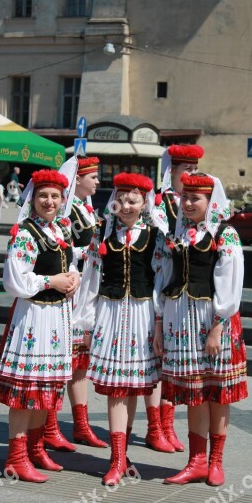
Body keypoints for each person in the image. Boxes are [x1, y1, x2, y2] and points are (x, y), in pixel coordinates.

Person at [153, 172, 248, 486]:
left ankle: (215, 462)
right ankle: (196, 462)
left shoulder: (225, 234)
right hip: (182, 320)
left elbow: (230, 285)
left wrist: (217, 328)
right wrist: (159, 323)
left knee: (218, 393)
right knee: (195, 393)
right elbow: (165, 279)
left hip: (213, 322)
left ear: (211, 201)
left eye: (196, 198)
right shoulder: (176, 235)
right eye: (186, 197)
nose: (189, 203)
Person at [0, 169, 80, 483]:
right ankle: (15, 457)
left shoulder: (62, 229)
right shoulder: (25, 233)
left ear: (63, 199)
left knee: (47, 390)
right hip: (34, 318)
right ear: (33, 198)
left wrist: (74, 276)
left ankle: (36, 449)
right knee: (26, 391)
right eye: (43, 196)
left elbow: (70, 263)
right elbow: (14, 280)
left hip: (57, 318)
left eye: (55, 196)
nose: (49, 201)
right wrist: (50, 281)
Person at [73, 172, 167, 485]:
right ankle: (116, 460)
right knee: (116, 389)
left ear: (144, 203)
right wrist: (86, 321)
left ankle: (123, 453)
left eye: (133, 200)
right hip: (111, 315)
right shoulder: (102, 234)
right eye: (121, 199)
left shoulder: (156, 237)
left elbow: (160, 282)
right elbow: (91, 279)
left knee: (132, 388)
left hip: (141, 316)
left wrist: (158, 322)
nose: (126, 205)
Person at [141, 145, 205, 455]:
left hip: (184, 292)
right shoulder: (160, 204)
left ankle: (168, 424)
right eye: (186, 169)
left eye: (195, 169)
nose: (191, 174)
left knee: (174, 361)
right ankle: (155, 427)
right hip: (158, 285)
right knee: (157, 359)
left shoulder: (194, 204)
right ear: (173, 171)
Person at [43, 156, 108, 451]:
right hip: (70, 289)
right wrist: (91, 250)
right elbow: (65, 250)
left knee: (80, 360)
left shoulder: (87, 211)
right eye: (92, 177)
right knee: (62, 359)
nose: (97, 182)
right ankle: (50, 425)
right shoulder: (68, 214)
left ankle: (81, 425)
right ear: (77, 179)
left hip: (86, 289)